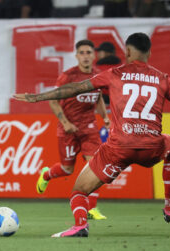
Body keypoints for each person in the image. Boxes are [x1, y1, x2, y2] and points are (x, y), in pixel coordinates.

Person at [14, 32, 170, 237]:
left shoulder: (114, 74)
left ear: (127, 51)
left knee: (78, 192)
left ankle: (80, 225)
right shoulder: (163, 78)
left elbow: (76, 88)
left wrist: (37, 97)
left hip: (119, 148)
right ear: (149, 53)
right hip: (151, 147)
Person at [36, 39, 110, 220]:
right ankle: (46, 174)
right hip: (68, 129)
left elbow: (98, 97)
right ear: (76, 56)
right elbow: (53, 100)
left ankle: (91, 208)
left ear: (94, 55)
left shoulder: (98, 75)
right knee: (67, 169)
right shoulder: (67, 76)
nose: (85, 56)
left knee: (95, 166)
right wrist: (65, 122)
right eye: (82, 53)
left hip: (89, 127)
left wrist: (105, 116)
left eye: (89, 52)